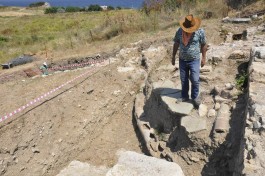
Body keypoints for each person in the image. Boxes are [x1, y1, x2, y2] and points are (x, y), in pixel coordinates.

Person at [172, 14, 207, 108]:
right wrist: (173, 56)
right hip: (182, 60)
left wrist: (203, 58)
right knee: (184, 80)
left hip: (194, 60)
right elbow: (176, 43)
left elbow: (203, 44)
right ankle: (184, 96)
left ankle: (195, 97)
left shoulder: (200, 31)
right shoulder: (180, 31)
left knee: (195, 79)